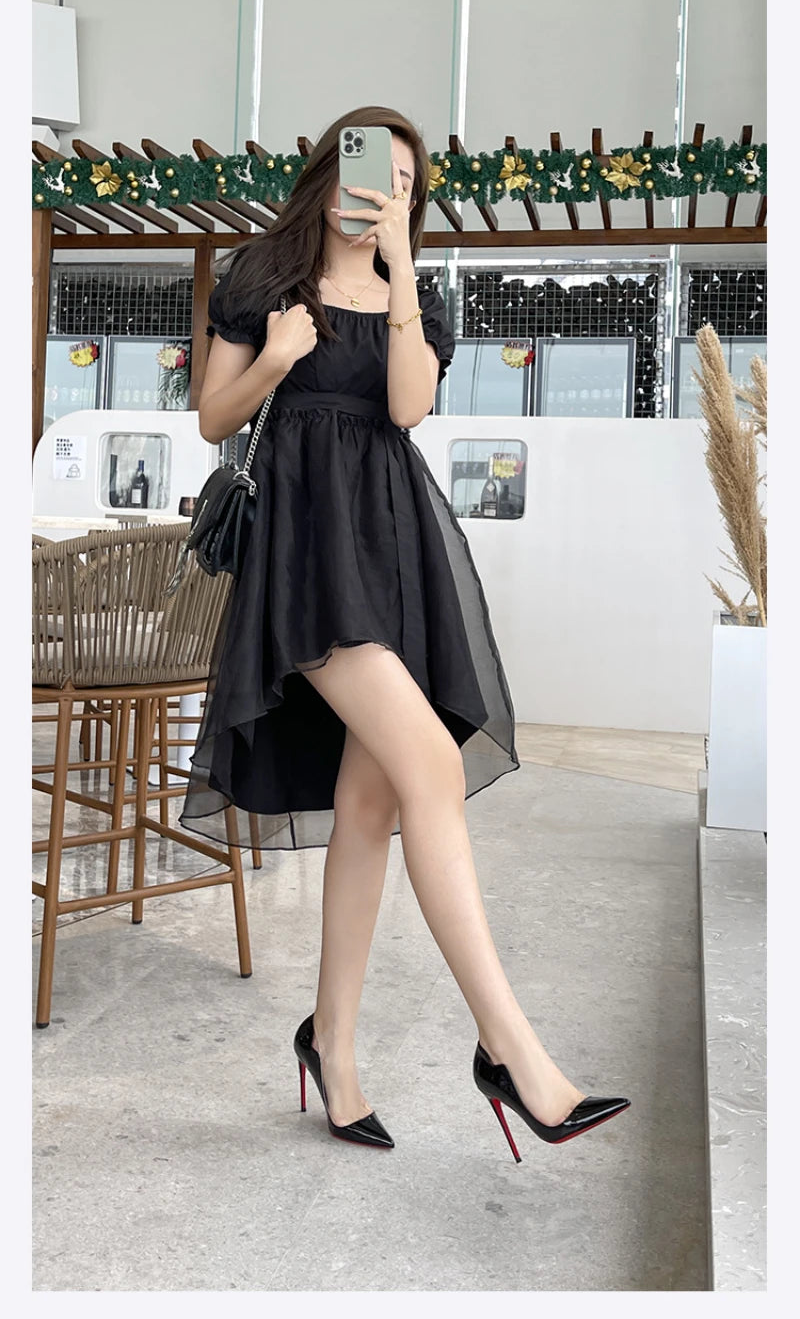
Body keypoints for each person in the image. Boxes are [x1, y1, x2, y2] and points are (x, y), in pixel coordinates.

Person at [180, 106, 630, 1159]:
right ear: (328, 170)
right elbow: (211, 416)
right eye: (368, 169)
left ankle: (330, 1045)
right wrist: (277, 358)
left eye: (404, 184)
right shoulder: (264, 276)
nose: (383, 190)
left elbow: (410, 407)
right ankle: (510, 1051)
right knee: (428, 764)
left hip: (388, 548)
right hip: (304, 556)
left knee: (372, 798)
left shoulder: (410, 292)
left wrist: (400, 273)